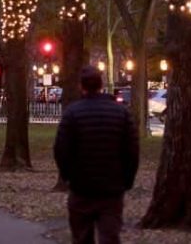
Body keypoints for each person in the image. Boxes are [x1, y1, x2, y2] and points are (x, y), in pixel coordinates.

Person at [54, 66, 139, 244]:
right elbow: (132, 150)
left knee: (82, 236)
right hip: (112, 187)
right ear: (101, 85)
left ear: (81, 87)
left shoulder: (72, 113)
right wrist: (127, 179)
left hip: (82, 186)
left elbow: (61, 149)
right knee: (110, 236)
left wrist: (68, 176)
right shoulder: (121, 113)